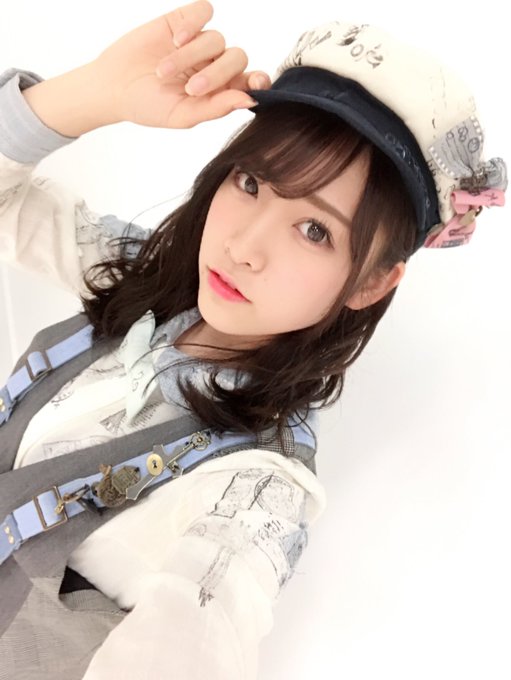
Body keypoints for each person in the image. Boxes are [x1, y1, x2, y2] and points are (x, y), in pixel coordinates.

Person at [0, 1, 506, 678]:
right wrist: (95, 94)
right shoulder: (143, 275)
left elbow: (193, 638)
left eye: (314, 230)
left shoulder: (256, 487)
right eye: (251, 183)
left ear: (370, 282)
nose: (244, 246)